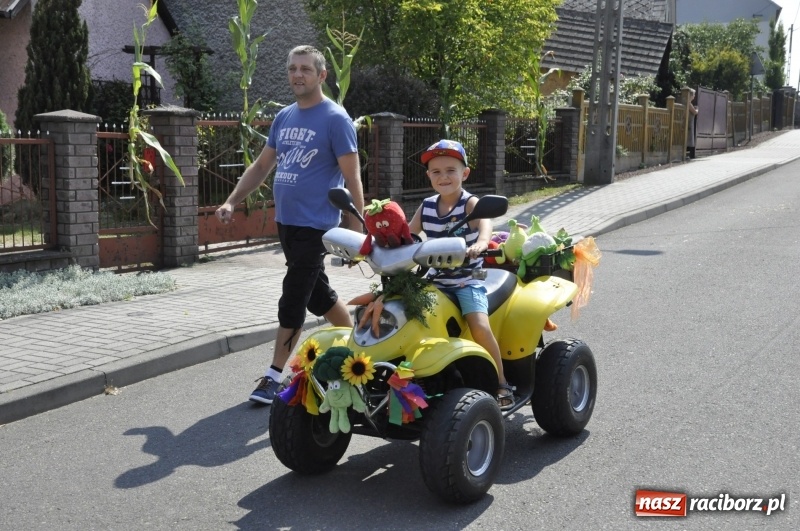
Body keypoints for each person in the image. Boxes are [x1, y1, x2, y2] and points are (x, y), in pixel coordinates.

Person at [215, 45, 365, 405]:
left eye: (305, 69)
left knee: (294, 295)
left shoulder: (335, 118)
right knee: (318, 294)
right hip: (287, 223)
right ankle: (360, 348)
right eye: (292, 69)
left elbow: (352, 176)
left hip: (317, 224)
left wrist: (357, 225)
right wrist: (232, 200)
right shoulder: (284, 117)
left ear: (322, 75)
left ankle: (272, 375)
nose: (297, 75)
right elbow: (261, 166)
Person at [407, 139, 515, 410]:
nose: (444, 177)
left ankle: (501, 382)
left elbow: (485, 225)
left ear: (464, 173)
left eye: (450, 170)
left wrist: (481, 242)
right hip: (435, 280)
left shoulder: (470, 204)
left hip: (467, 279)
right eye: (436, 172)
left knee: (478, 323)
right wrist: (382, 245)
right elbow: (408, 234)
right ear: (428, 176)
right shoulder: (427, 205)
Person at [687, 88, 699, 159]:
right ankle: (691, 155)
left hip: (689, 122)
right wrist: (697, 109)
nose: (694, 96)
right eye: (694, 94)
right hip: (689, 122)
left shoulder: (688, 103)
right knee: (690, 138)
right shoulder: (689, 103)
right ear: (691, 95)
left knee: (690, 137)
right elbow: (695, 112)